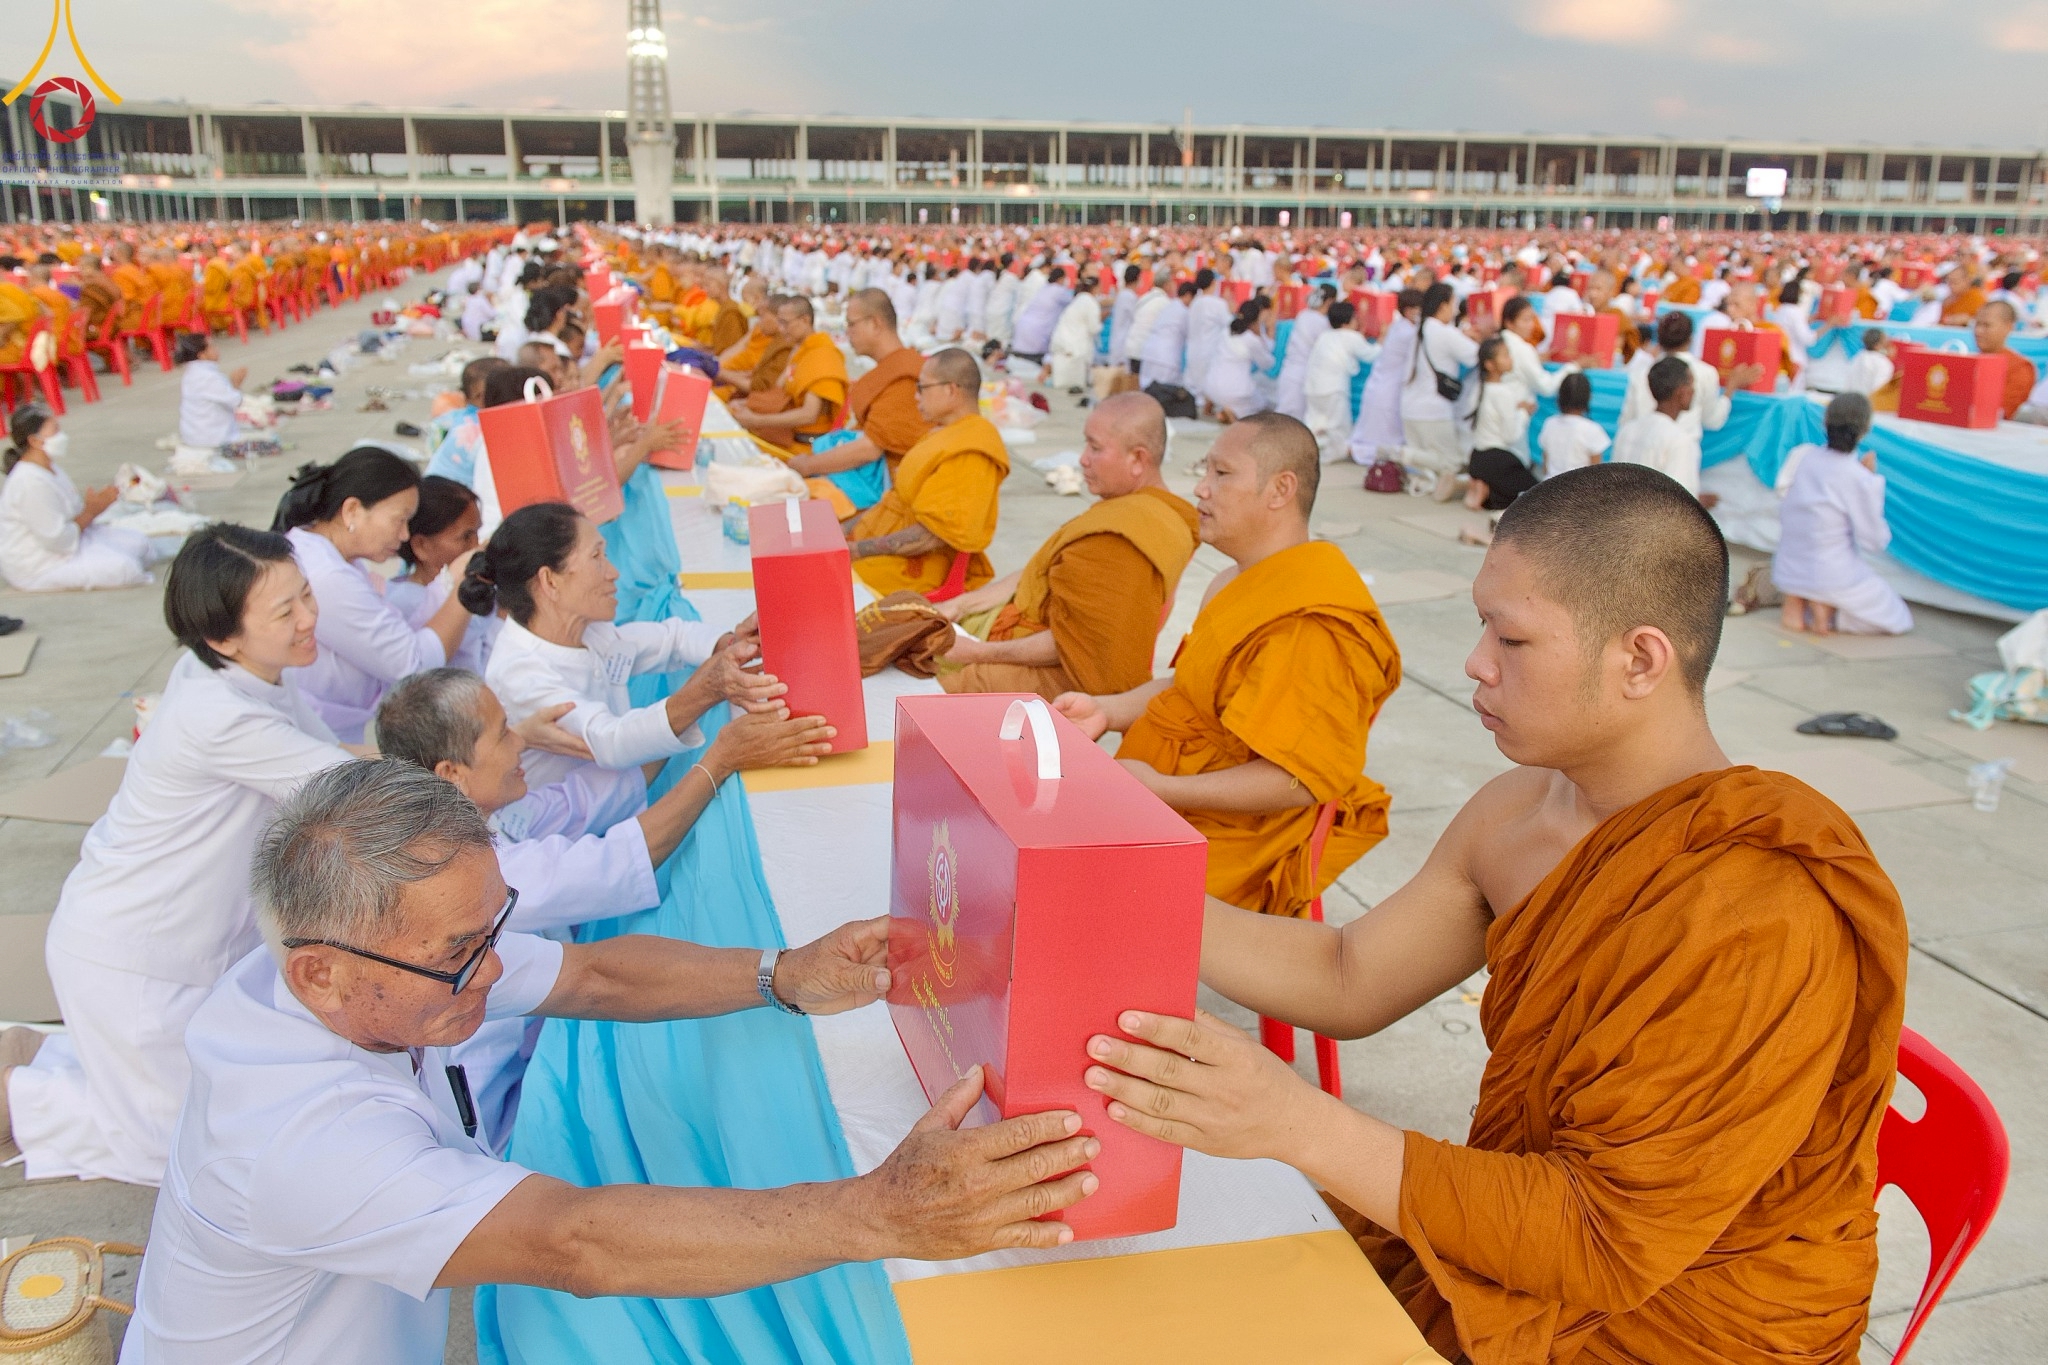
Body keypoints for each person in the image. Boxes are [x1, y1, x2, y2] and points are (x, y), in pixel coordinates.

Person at [1086, 463, 1908, 1365]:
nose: (1475, 661)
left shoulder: (1755, 908)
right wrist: (1131, 893)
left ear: (1640, 658)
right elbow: (1349, 974)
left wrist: (1297, 1123)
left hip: (1683, 1317)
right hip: (1539, 1236)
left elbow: (1604, 1239)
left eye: (1510, 639)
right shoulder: (1521, 809)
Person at [121, 759, 1100, 1364]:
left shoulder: (375, 966)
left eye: (491, 925)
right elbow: (575, 1242)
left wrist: (781, 974)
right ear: (322, 974)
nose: (493, 966)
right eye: (462, 952)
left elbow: (592, 977)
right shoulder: (292, 1138)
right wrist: (877, 1211)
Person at [0, 525, 353, 1185]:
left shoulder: (249, 672)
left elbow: (339, 759)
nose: (310, 618)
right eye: (286, 611)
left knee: (219, 1110)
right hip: (134, 956)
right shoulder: (217, 713)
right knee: (177, 1157)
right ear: (224, 635)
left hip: (176, 946)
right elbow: (347, 789)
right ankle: (20, 1093)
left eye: (307, 594)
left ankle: (59, 1058)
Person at [374, 669, 833, 1147]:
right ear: (451, 774)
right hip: (510, 1120)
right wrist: (717, 761)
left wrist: (702, 695)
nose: (521, 743)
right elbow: (620, 861)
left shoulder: (487, 817)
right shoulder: (473, 884)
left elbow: (593, 799)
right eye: (506, 733)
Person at [1053, 414, 1401, 916]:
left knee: (1065, 903)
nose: (1201, 488)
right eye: (1205, 471)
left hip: (1234, 836)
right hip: (1163, 793)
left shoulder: (1311, 621)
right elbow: (1189, 689)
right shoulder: (1230, 583)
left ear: (1280, 489)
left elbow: (1299, 780)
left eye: (1221, 474)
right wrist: (1105, 710)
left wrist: (1163, 790)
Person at [467, 501, 772, 791]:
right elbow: (611, 739)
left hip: (615, 805)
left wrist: (733, 643)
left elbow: (672, 638)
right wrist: (707, 689)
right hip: (564, 836)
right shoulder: (519, 673)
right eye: (597, 557)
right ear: (549, 582)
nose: (614, 573)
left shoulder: (587, 632)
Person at [938, 392, 1196, 700]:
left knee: (907, 698)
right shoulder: (1155, 512)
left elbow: (1079, 641)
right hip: (1013, 637)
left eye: (1096, 448)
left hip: (1052, 675)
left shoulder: (1120, 538)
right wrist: (964, 604)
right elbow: (1039, 572)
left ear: (1138, 459)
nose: (1083, 459)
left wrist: (979, 653)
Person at [271, 447, 475, 743]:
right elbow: (411, 665)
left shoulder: (334, 556)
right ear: (352, 510)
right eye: (400, 519)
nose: (404, 534)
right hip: (311, 737)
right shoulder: (328, 575)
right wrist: (460, 589)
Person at [847, 348, 1010, 596]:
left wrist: (857, 550)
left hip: (917, 567)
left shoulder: (972, 448)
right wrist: (842, 533)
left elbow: (933, 536)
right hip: (884, 545)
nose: (916, 397)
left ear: (951, 390)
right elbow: (895, 500)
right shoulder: (944, 432)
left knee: (818, 584)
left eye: (922, 388)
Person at [1773, 393, 1913, 637]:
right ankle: (1825, 607)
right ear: (1866, 429)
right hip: (1830, 573)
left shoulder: (1803, 456)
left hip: (1787, 567)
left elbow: (1788, 496)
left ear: (1824, 422)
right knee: (1897, 616)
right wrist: (1868, 482)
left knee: (1806, 565)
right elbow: (1874, 541)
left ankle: (1799, 601)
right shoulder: (1859, 478)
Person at [0, 406, 156, 592]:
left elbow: (73, 514)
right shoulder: (29, 483)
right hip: (40, 564)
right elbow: (57, 540)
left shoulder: (49, 468)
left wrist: (98, 503)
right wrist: (92, 511)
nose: (62, 435)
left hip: (71, 543)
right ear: (34, 441)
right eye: (55, 431)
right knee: (125, 569)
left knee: (141, 545)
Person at [785, 288, 930, 486]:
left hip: (888, 486)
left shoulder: (906, 375)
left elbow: (871, 447)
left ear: (875, 323)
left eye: (852, 324)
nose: (848, 332)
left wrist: (810, 465)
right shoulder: (889, 369)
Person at [384, 476, 497, 675]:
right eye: (465, 537)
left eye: (477, 533)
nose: (476, 545)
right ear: (421, 546)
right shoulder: (404, 602)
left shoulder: (475, 581)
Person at [731, 296, 847, 453]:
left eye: (785, 323)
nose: (780, 329)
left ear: (805, 320)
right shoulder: (798, 350)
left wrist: (757, 420)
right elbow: (780, 394)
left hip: (807, 446)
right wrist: (747, 404)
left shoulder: (822, 355)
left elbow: (809, 415)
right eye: (779, 322)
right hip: (785, 435)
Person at [1401, 282, 1482, 500]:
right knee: (1453, 463)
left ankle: (1412, 463)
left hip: (1410, 407)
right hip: (1433, 410)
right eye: (1454, 305)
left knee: (1430, 467)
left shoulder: (1421, 327)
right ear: (1444, 305)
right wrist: (1481, 337)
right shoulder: (1443, 331)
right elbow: (1478, 355)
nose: (1456, 311)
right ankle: (1403, 455)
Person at [1349, 288, 1424, 466]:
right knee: (1384, 435)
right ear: (1408, 310)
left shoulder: (1398, 326)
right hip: (1388, 388)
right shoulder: (1407, 332)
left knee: (1377, 430)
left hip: (1382, 384)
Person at [1611, 356, 1704, 498]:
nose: (1694, 390)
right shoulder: (1679, 440)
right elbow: (1681, 503)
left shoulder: (1627, 430)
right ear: (1681, 391)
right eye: (1691, 384)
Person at [1462, 338, 1537, 512]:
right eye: (1504, 356)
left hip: (1477, 457)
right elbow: (1511, 436)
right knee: (1534, 494)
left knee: (1512, 492)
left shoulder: (1480, 387)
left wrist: (1517, 409)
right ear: (1490, 364)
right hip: (1498, 461)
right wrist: (1524, 413)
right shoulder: (1503, 393)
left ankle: (1483, 488)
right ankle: (1486, 491)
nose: (1510, 359)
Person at [175, 332, 272, 461]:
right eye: (212, 347)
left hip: (194, 436)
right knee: (270, 441)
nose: (217, 350)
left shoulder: (192, 373)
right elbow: (236, 401)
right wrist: (236, 383)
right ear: (202, 355)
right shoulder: (207, 377)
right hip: (212, 439)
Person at [1302, 301, 1376, 462]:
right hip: (1333, 388)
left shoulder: (1325, 335)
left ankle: (1309, 451)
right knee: (1337, 426)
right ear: (1348, 320)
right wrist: (1383, 338)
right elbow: (1371, 354)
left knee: (1315, 422)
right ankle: (1329, 456)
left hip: (1313, 387)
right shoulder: (1350, 336)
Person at [424, 357, 510, 487]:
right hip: (454, 498)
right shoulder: (484, 428)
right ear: (481, 396)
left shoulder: (458, 416)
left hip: (432, 486)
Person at [1200, 296, 1277, 422]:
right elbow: (1268, 363)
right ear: (1255, 321)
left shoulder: (1226, 331)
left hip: (1211, 386)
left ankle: (1223, 410)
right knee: (1262, 405)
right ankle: (1230, 413)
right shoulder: (1251, 340)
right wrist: (1269, 330)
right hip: (1236, 392)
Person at [1275, 285, 1334, 419]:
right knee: (1293, 419)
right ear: (1330, 302)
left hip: (1288, 371)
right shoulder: (1322, 323)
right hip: (1302, 373)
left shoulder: (1303, 315)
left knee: (1284, 413)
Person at [1972, 299, 2038, 419]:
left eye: (1987, 325)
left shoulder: (2020, 367)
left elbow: (2005, 411)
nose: (1978, 331)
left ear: (2008, 327)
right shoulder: (1967, 362)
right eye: (1977, 324)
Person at [1537, 372, 1610, 479]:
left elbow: (1545, 467)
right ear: (1587, 397)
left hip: (1549, 488)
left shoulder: (1549, 423)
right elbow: (1595, 475)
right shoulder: (1592, 429)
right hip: (1578, 492)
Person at [1047, 273, 1105, 391]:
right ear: (1095, 288)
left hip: (1063, 342)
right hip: (1076, 347)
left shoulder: (1078, 300)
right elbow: (1094, 328)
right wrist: (1102, 318)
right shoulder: (1091, 303)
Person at [1138, 280, 1197, 390]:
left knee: (1147, 391)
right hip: (1166, 359)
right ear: (1189, 295)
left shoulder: (1168, 307)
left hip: (1149, 353)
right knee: (1164, 395)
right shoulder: (1185, 312)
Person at [1184, 269, 1232, 404]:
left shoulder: (1195, 303)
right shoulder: (1218, 304)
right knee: (1207, 386)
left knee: (1196, 385)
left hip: (1194, 350)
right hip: (1209, 350)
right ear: (1213, 283)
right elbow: (1229, 324)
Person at [1009, 265, 1072, 365]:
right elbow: (1074, 302)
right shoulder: (1058, 291)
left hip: (1024, 326)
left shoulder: (1044, 288)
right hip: (1036, 332)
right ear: (1061, 279)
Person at [1843, 329, 1895, 397]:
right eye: (1886, 342)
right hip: (1868, 403)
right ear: (1877, 345)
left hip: (1850, 401)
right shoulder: (1883, 363)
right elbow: (1879, 391)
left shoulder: (1857, 358)